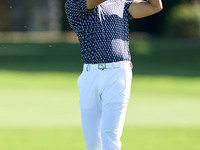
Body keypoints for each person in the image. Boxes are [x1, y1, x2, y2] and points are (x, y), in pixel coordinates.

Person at [65, 0, 163, 149]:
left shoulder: (121, 3)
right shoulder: (73, 4)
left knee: (110, 135)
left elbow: (155, 6)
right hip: (89, 76)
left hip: (118, 73)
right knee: (92, 141)